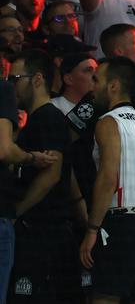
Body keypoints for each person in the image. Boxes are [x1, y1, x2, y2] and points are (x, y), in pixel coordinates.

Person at [79, 57, 135, 304]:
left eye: (97, 79)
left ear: (114, 85)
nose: (92, 86)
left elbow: (108, 178)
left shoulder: (109, 122)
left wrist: (92, 229)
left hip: (120, 226)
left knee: (105, 297)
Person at [8, 49, 75, 302]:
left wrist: (16, 211)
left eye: (15, 79)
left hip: (44, 232)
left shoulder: (47, 117)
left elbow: (51, 175)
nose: (10, 86)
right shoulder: (37, 120)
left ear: (37, 79)